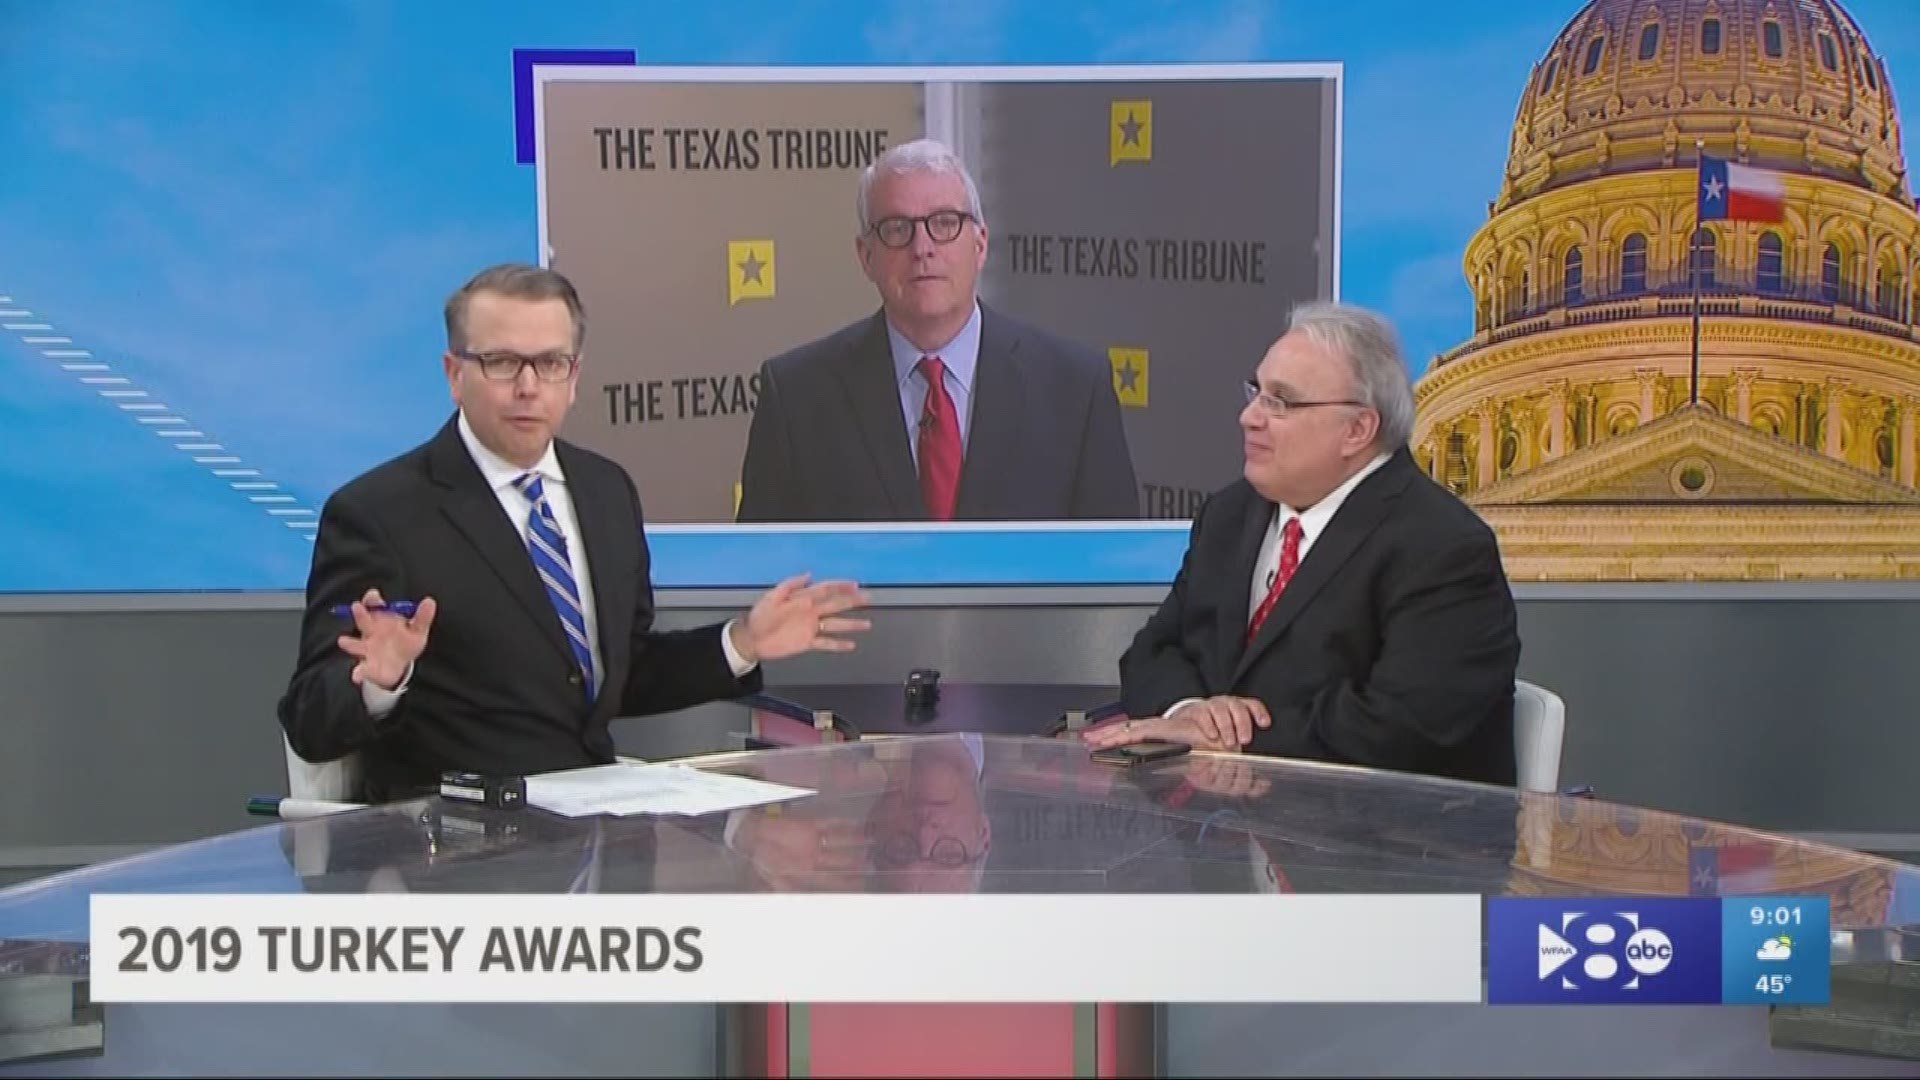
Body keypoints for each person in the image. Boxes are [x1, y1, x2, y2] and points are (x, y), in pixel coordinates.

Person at [278, 263, 871, 802]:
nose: (529, 386)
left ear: (575, 375)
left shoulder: (605, 492)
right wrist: (379, 681)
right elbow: (308, 719)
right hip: (457, 857)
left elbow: (624, 676)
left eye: (550, 363)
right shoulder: (379, 513)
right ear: (454, 374)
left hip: (598, 836)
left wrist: (742, 642)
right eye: (503, 363)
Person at [1085, 301, 1520, 786]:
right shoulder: (1230, 516)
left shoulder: (1441, 547)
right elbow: (1155, 650)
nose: (1250, 417)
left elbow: (1403, 727)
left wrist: (1229, 740)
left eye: (1281, 402)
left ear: (1357, 430)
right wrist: (1191, 712)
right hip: (1227, 835)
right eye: (1256, 392)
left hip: (1389, 846)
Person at [735, 138, 1139, 523]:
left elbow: (1118, 578)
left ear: (980, 244)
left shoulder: (1075, 390)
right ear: (866, 256)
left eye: (944, 223)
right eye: (896, 228)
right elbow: (762, 576)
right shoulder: (797, 397)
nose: (922, 248)